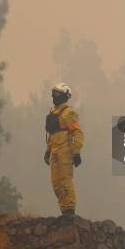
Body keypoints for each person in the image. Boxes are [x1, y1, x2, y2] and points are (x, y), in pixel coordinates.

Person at [44, 83, 84, 217]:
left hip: (65, 152)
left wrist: (76, 152)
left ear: (64, 95)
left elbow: (77, 133)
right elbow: (52, 135)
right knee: (56, 183)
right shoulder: (53, 113)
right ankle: (64, 210)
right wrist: (48, 151)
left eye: (57, 94)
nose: (54, 96)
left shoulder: (69, 113)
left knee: (65, 181)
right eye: (53, 93)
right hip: (54, 152)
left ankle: (69, 211)